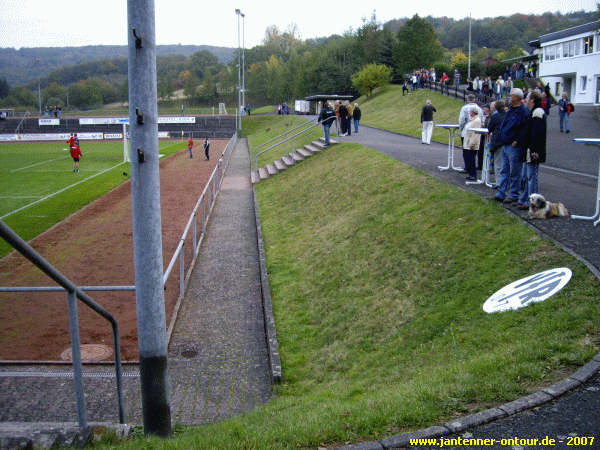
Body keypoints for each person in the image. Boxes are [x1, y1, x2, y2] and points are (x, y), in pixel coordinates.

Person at [494, 88, 529, 204]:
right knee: (505, 170)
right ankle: (501, 192)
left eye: (511, 96)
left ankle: (513, 194)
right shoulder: (510, 110)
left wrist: (517, 141)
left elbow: (524, 128)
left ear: (517, 98)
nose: (509, 97)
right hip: (506, 143)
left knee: (515, 171)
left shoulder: (523, 111)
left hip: (514, 145)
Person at [517, 91, 547, 210]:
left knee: (532, 177)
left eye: (527, 98)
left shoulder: (537, 112)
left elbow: (537, 133)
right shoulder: (533, 112)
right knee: (526, 176)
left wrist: (534, 150)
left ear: (533, 100)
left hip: (533, 151)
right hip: (528, 150)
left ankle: (534, 203)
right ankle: (526, 199)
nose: (525, 100)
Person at [487, 100, 507, 187]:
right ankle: (506, 182)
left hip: (498, 141)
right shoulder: (508, 115)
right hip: (507, 141)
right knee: (506, 163)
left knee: (498, 163)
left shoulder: (495, 117)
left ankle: (499, 183)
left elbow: (489, 128)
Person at [463, 107, 482, 181]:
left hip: (472, 143)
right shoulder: (472, 120)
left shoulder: (477, 121)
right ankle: (471, 174)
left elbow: (476, 133)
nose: (469, 113)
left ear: (473, 112)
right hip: (468, 142)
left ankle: (473, 174)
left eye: (470, 111)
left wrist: (472, 143)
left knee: (471, 159)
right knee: (469, 158)